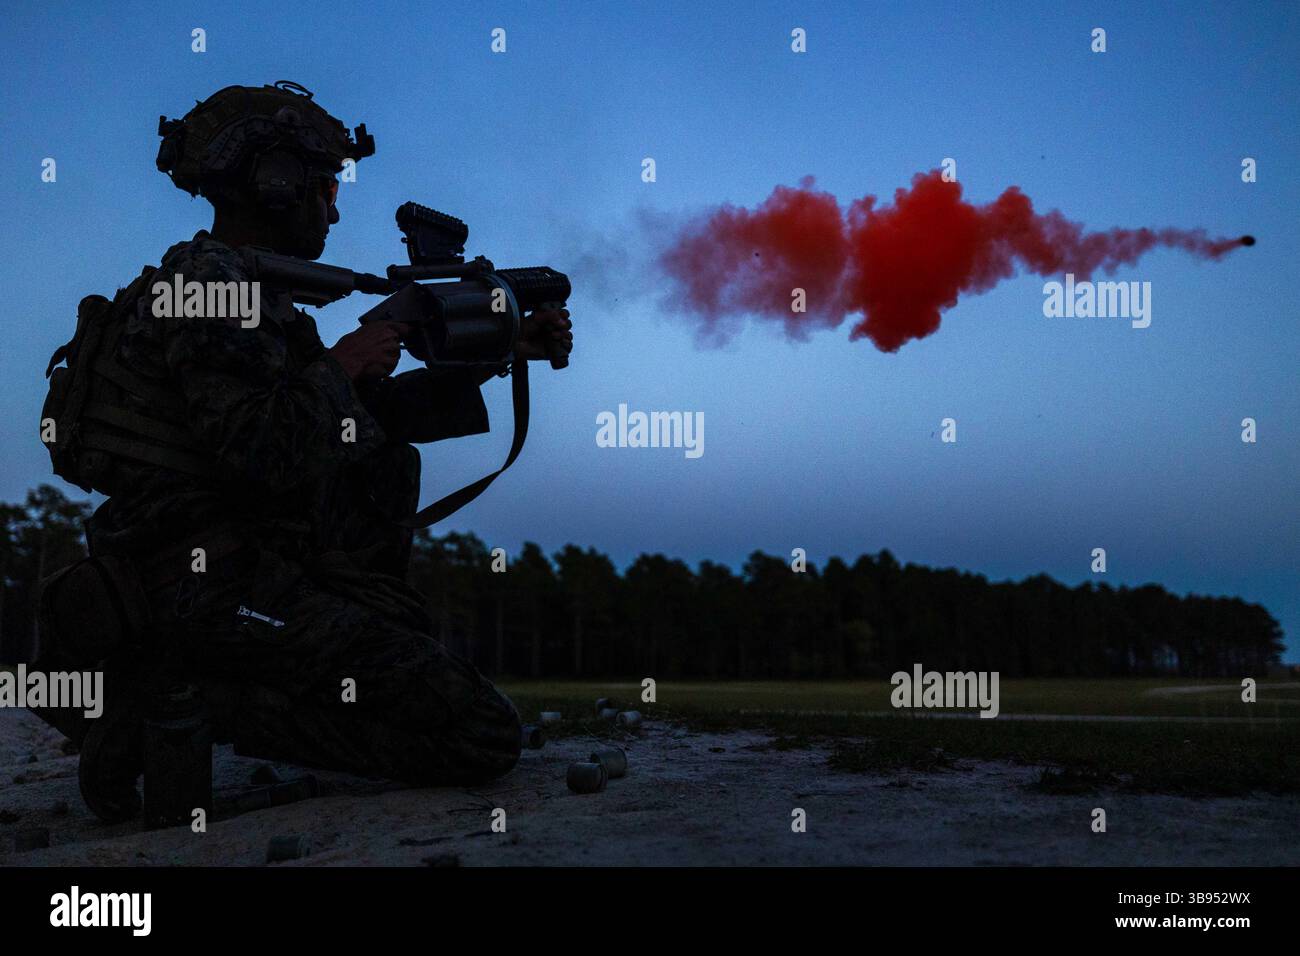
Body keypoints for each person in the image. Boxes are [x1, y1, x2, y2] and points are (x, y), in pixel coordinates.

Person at [32, 81, 572, 822]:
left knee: (389, 498)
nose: (335, 206)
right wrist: (346, 363)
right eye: (324, 185)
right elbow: (262, 452)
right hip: (208, 584)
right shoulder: (208, 286)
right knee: (479, 734)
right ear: (274, 183)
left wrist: (501, 352)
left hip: (237, 572)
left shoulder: (252, 292)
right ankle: (176, 702)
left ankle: (201, 689)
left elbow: (352, 423)